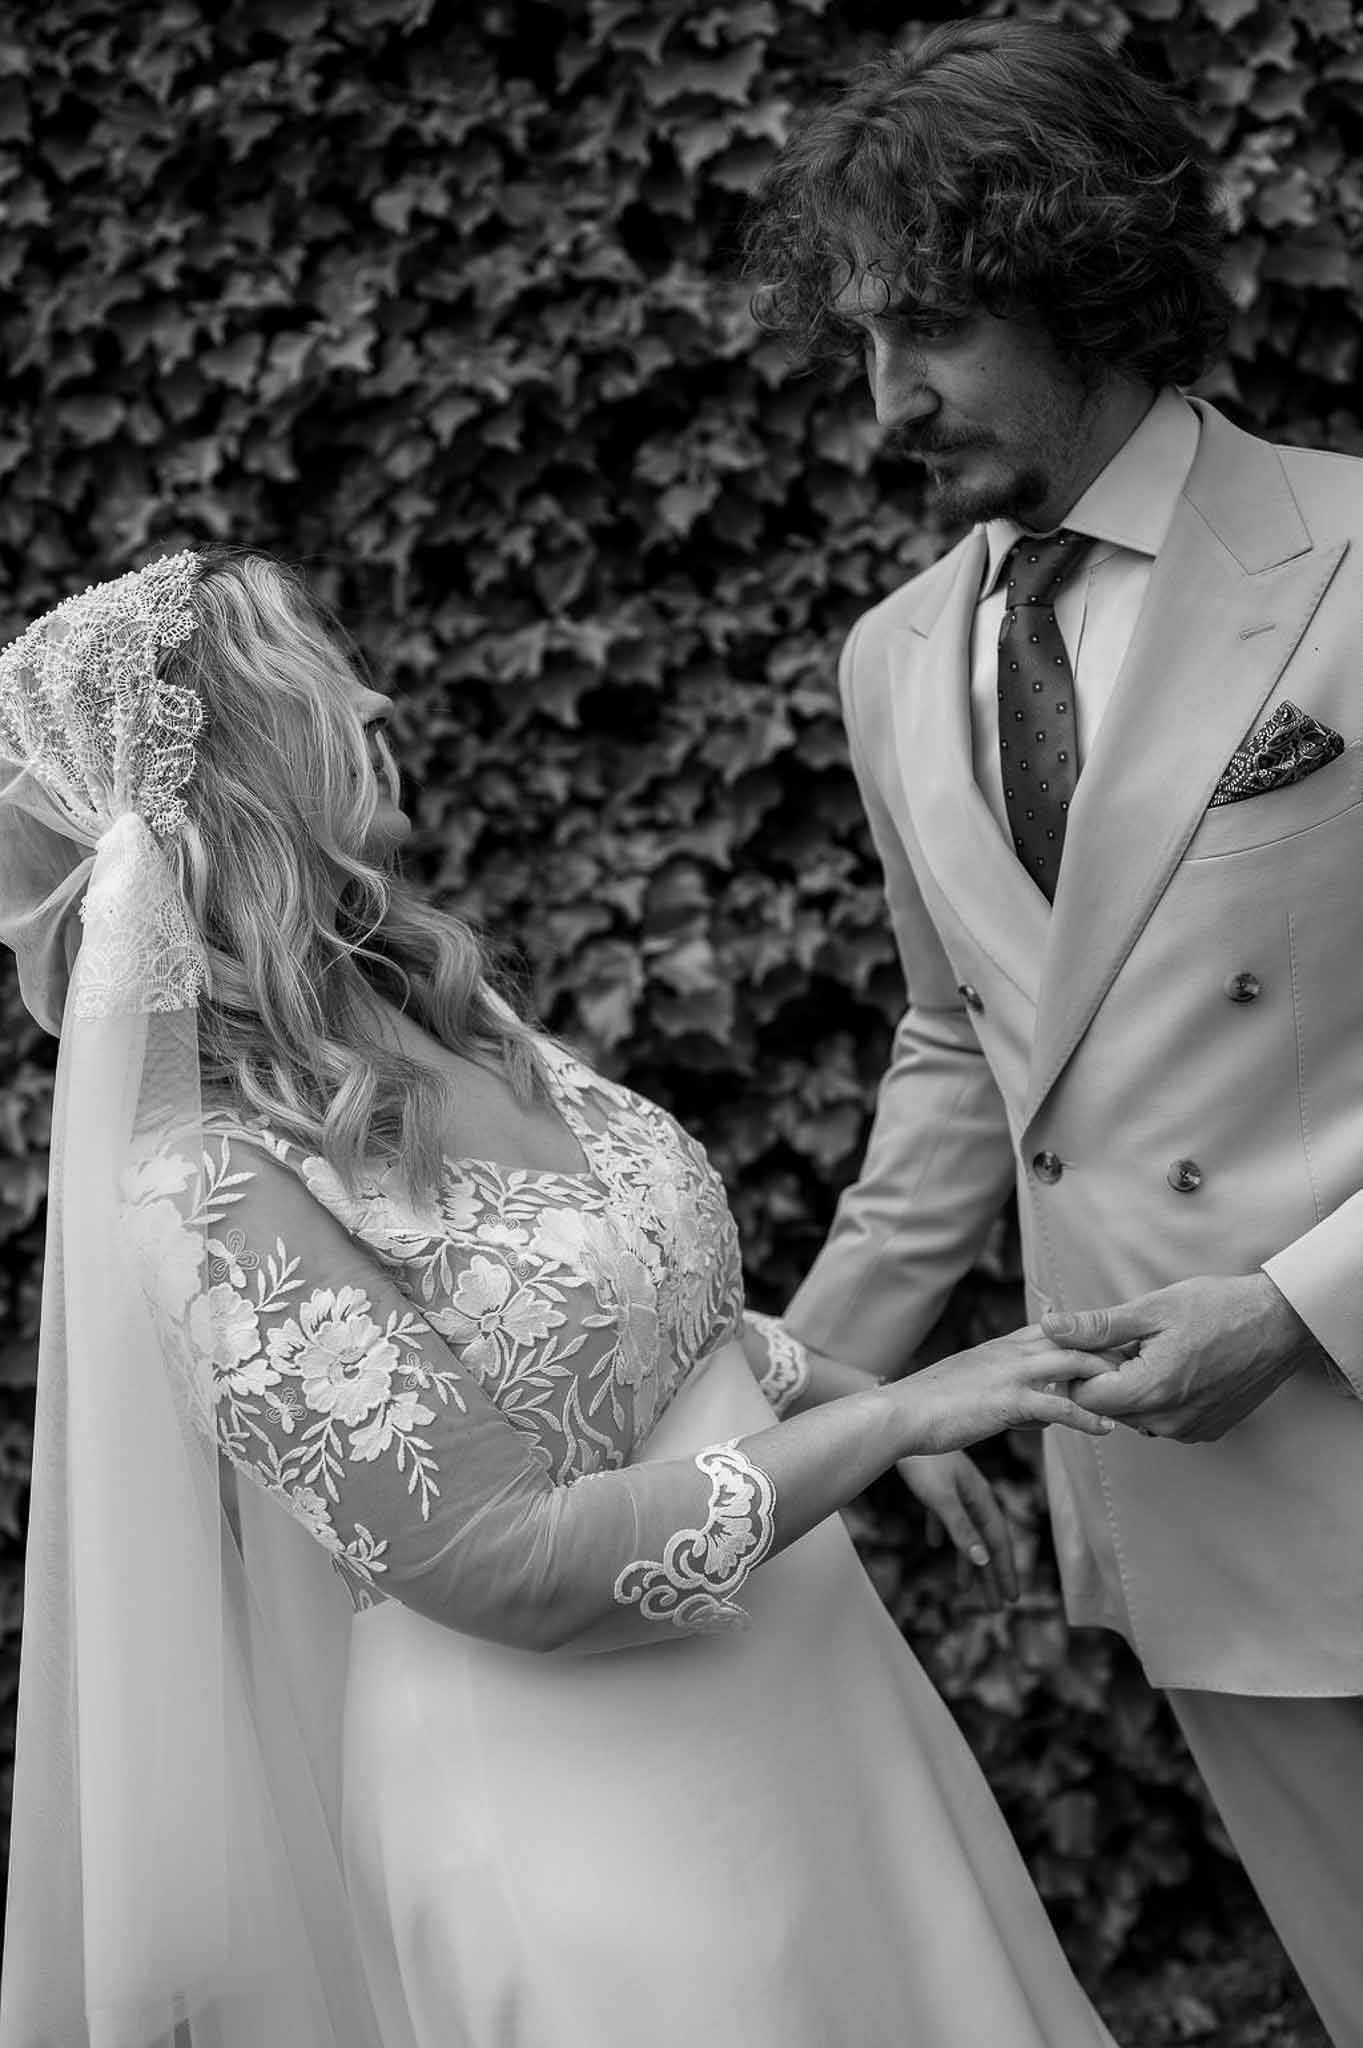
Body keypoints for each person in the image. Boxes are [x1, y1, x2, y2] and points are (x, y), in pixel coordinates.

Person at [0, 545, 1120, 2048]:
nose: (380, 691)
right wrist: (903, 1411)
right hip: (595, 1814)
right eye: (313, 677)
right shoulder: (205, 1189)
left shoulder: (432, 1006)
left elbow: (625, 1327)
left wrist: (836, 1396)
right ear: (227, 778)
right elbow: (502, 1558)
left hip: (812, 1705)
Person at [744, 17, 1363, 2048]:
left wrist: (1293, 1298)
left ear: (1085, 289)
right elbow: (963, 1045)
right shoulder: (891, 655)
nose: (881, 401)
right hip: (1188, 1492)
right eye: (858, 337)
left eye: (928, 329)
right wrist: (797, 1391)